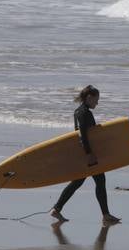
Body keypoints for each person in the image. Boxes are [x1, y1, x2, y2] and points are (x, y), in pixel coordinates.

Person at [50, 85, 120, 225]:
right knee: (99, 181)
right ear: (89, 97)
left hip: (83, 153)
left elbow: (86, 133)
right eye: (96, 99)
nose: (97, 103)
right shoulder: (84, 113)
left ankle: (57, 209)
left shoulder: (80, 111)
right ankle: (105, 215)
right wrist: (89, 153)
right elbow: (82, 134)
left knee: (78, 182)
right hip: (87, 154)